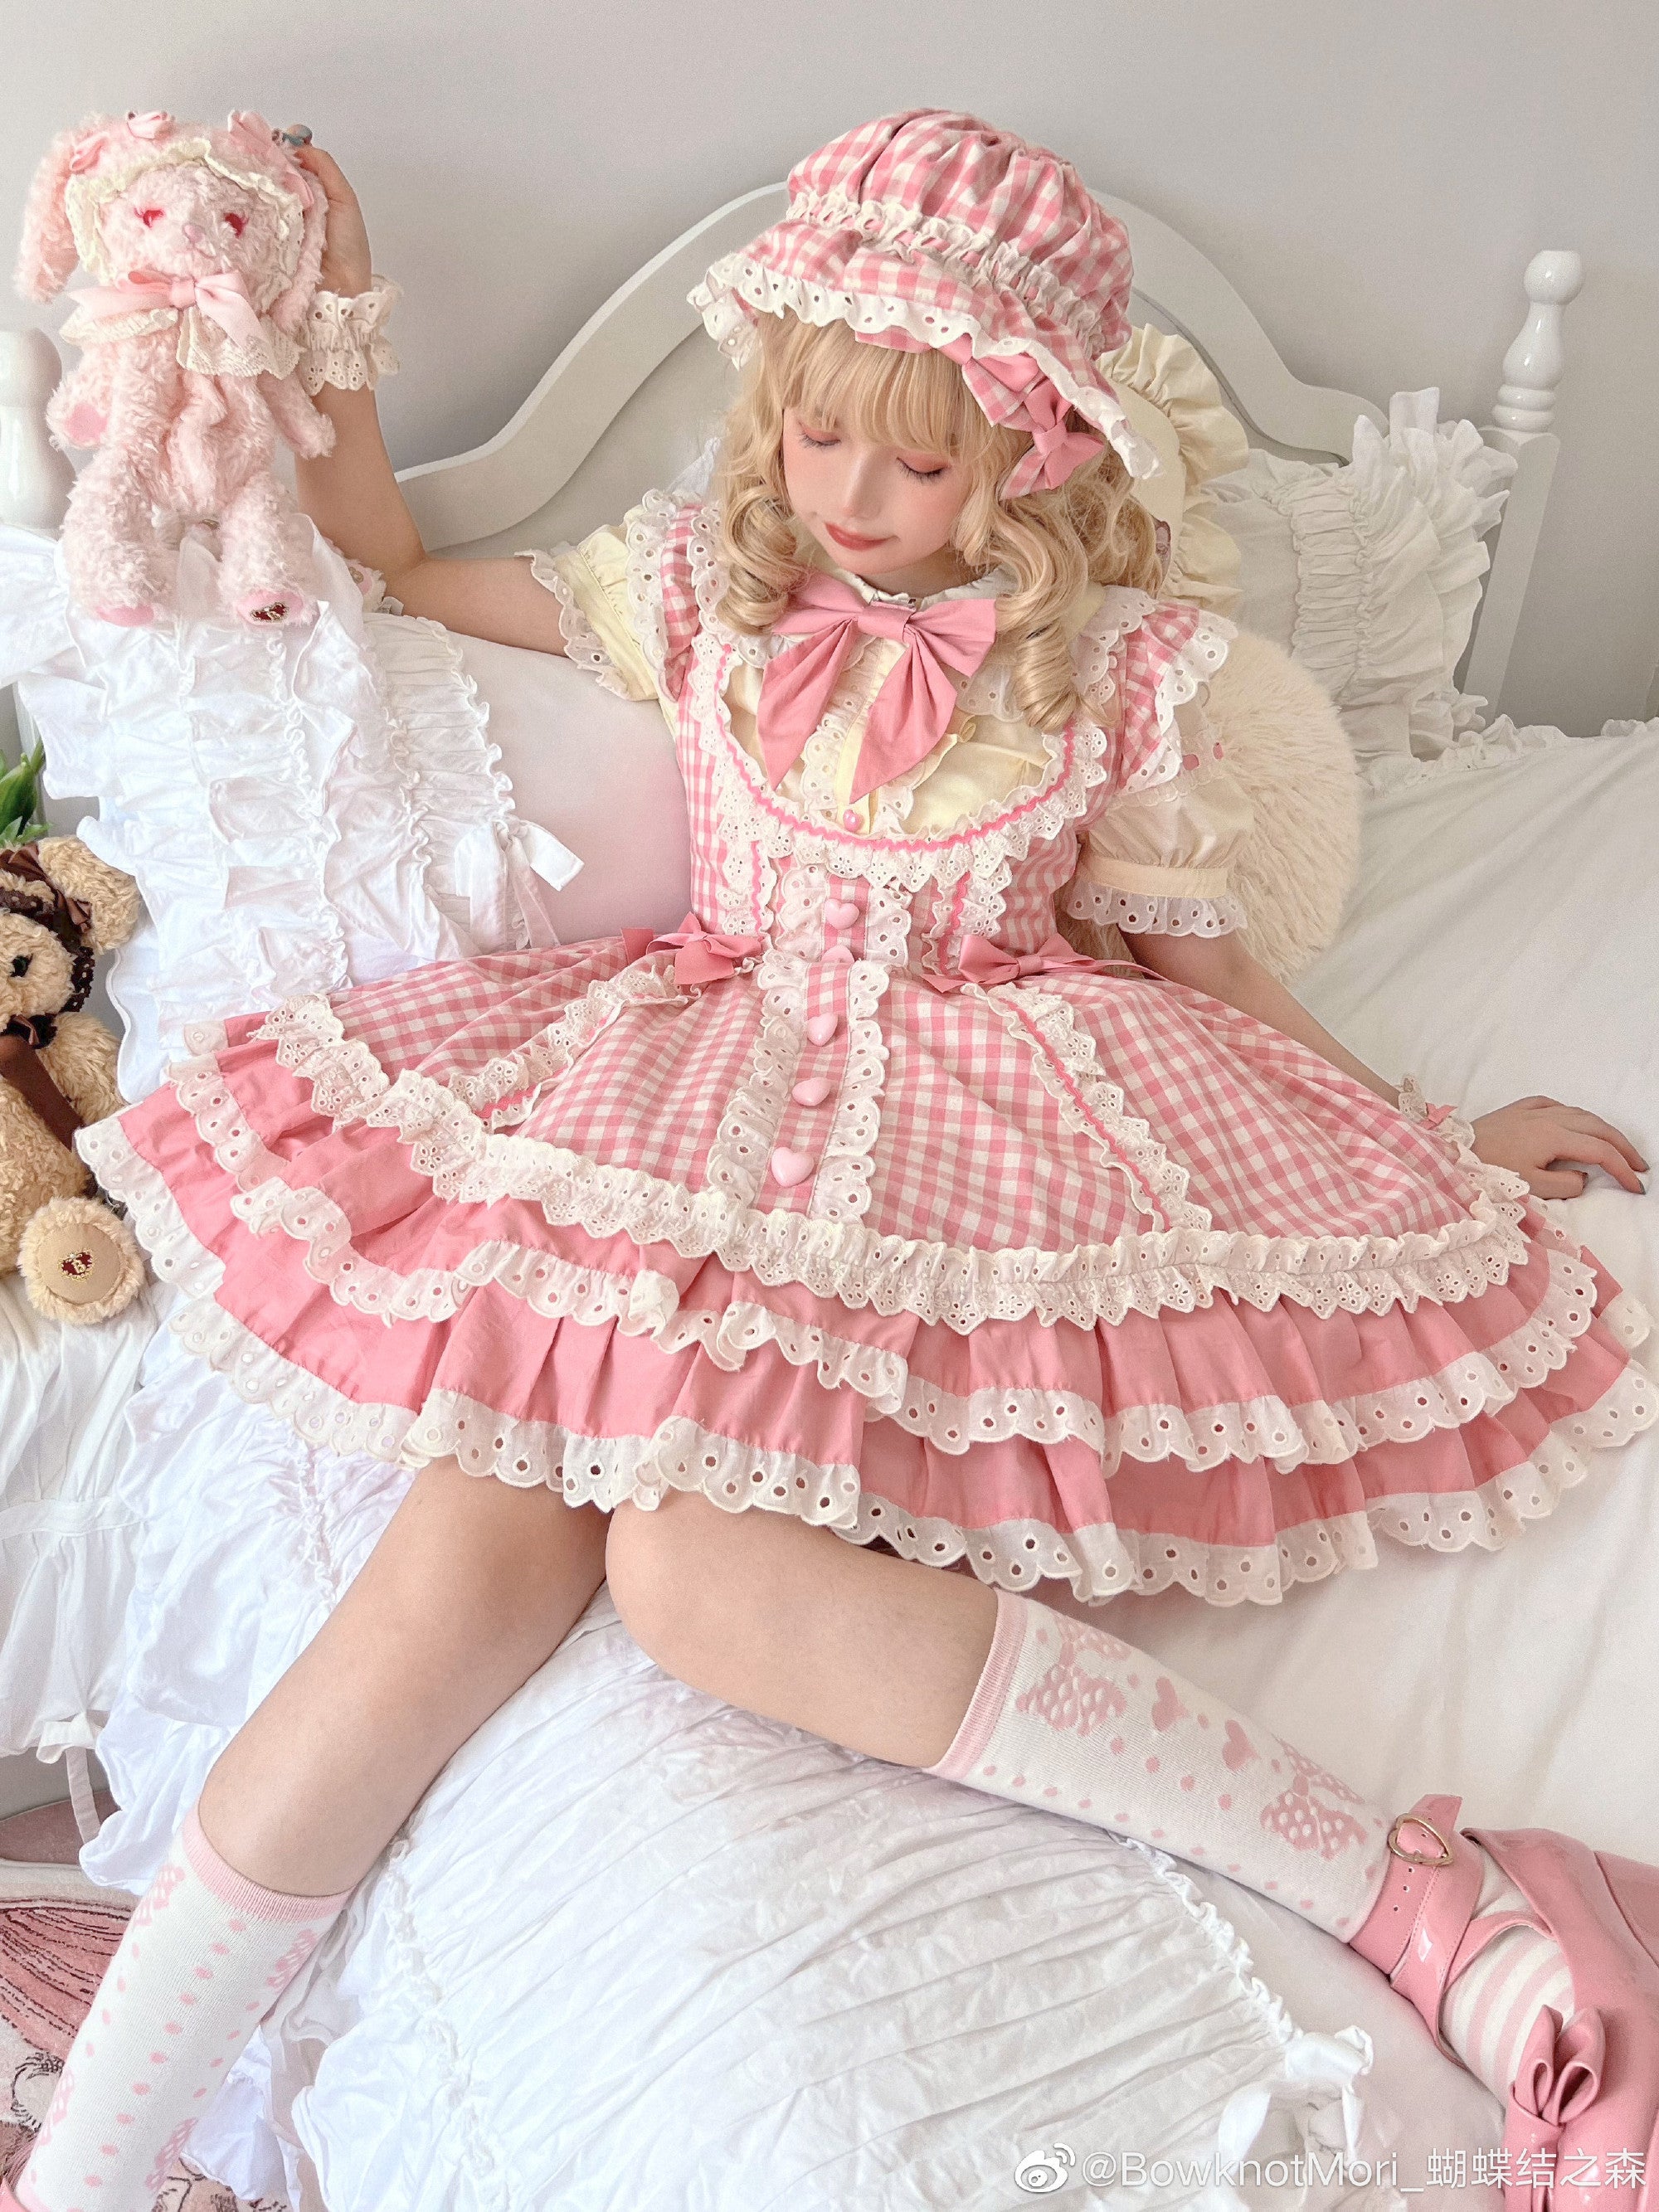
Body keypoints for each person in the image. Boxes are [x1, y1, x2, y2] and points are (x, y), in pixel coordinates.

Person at [10, 110, 1657, 2212]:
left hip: (989, 1140)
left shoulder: (1112, 673)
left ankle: (1425, 1899)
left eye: (921, 461)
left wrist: (1427, 1139)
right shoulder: (701, 596)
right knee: (450, 1571)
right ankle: (91, 2159)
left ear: (1026, 459)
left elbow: (1208, 968)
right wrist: (330, 303)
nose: (857, 501)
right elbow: (395, 566)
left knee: (693, 1566)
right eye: (817, 439)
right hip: (687, 1100)